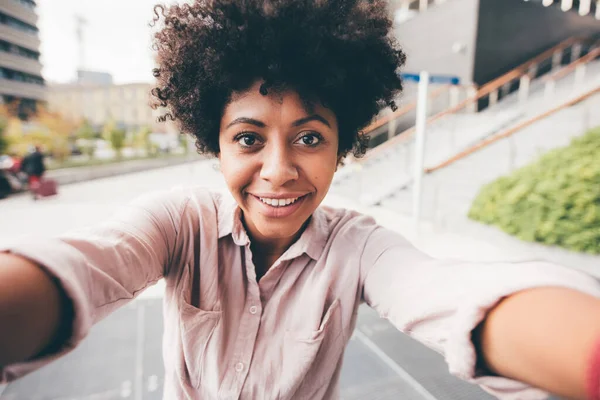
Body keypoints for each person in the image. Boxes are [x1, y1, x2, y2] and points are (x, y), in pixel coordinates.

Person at [1, 1, 600, 399]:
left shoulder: (359, 248)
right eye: (248, 138)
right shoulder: (177, 224)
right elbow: (91, 263)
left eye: (310, 138)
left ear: (343, 146)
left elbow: (443, 293)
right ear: (216, 144)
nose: (280, 170)